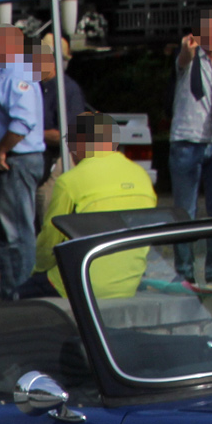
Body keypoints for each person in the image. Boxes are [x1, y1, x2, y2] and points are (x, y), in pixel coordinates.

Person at [24, 111, 157, 300]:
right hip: (128, 282)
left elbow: (49, 243)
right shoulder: (142, 177)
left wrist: (37, 271)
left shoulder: (69, 182)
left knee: (18, 297)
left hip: (81, 283)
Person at [0, 23, 45, 301]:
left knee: (16, 233)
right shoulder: (5, 74)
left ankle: (21, 294)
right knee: (5, 233)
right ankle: (9, 291)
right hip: (7, 162)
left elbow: (23, 120)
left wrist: (1, 151)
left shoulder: (17, 73)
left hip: (15, 161)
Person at [169, 6, 212, 283]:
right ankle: (184, 273)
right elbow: (182, 60)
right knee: (185, 212)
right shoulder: (191, 58)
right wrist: (187, 49)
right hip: (186, 140)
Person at [34, 34, 89, 173]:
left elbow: (68, 135)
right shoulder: (36, 87)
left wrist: (28, 134)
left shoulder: (68, 90)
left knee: (45, 195)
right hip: (41, 164)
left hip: (58, 164)